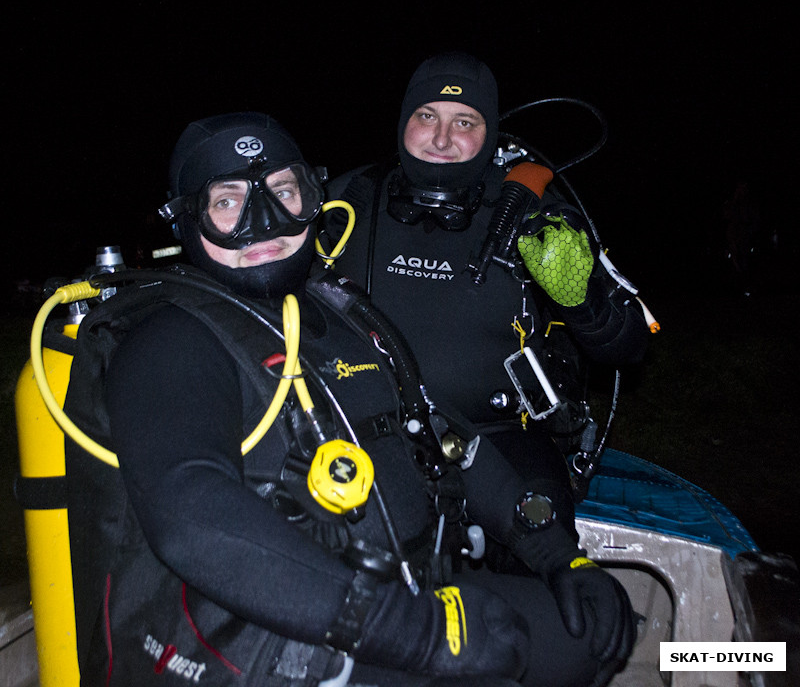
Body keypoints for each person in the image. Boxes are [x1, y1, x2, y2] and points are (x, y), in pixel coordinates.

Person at [63, 111, 634, 686]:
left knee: (588, 634)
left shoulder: (342, 313)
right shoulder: (172, 339)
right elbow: (192, 515)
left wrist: (555, 552)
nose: (264, 224)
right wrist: (420, 633)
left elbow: (441, 434)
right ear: (188, 220)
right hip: (272, 637)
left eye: (282, 191)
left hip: (403, 590)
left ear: (312, 195)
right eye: (228, 201)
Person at [323, 52, 650, 482]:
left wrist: (584, 302)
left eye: (464, 121)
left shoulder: (536, 213)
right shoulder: (347, 201)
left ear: (490, 131)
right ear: (404, 119)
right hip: (357, 431)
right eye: (427, 115)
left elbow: (630, 347)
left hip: (503, 440)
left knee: (545, 541)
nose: (441, 139)